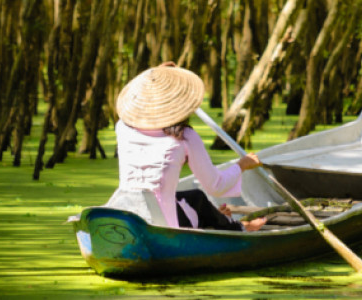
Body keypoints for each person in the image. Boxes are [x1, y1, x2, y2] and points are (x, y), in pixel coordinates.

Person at [104, 62, 266, 232]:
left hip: (124, 211)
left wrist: (157, 74)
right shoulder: (184, 136)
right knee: (199, 198)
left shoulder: (122, 127)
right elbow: (216, 185)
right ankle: (238, 227)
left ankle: (215, 218)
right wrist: (242, 165)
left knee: (195, 198)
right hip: (162, 224)